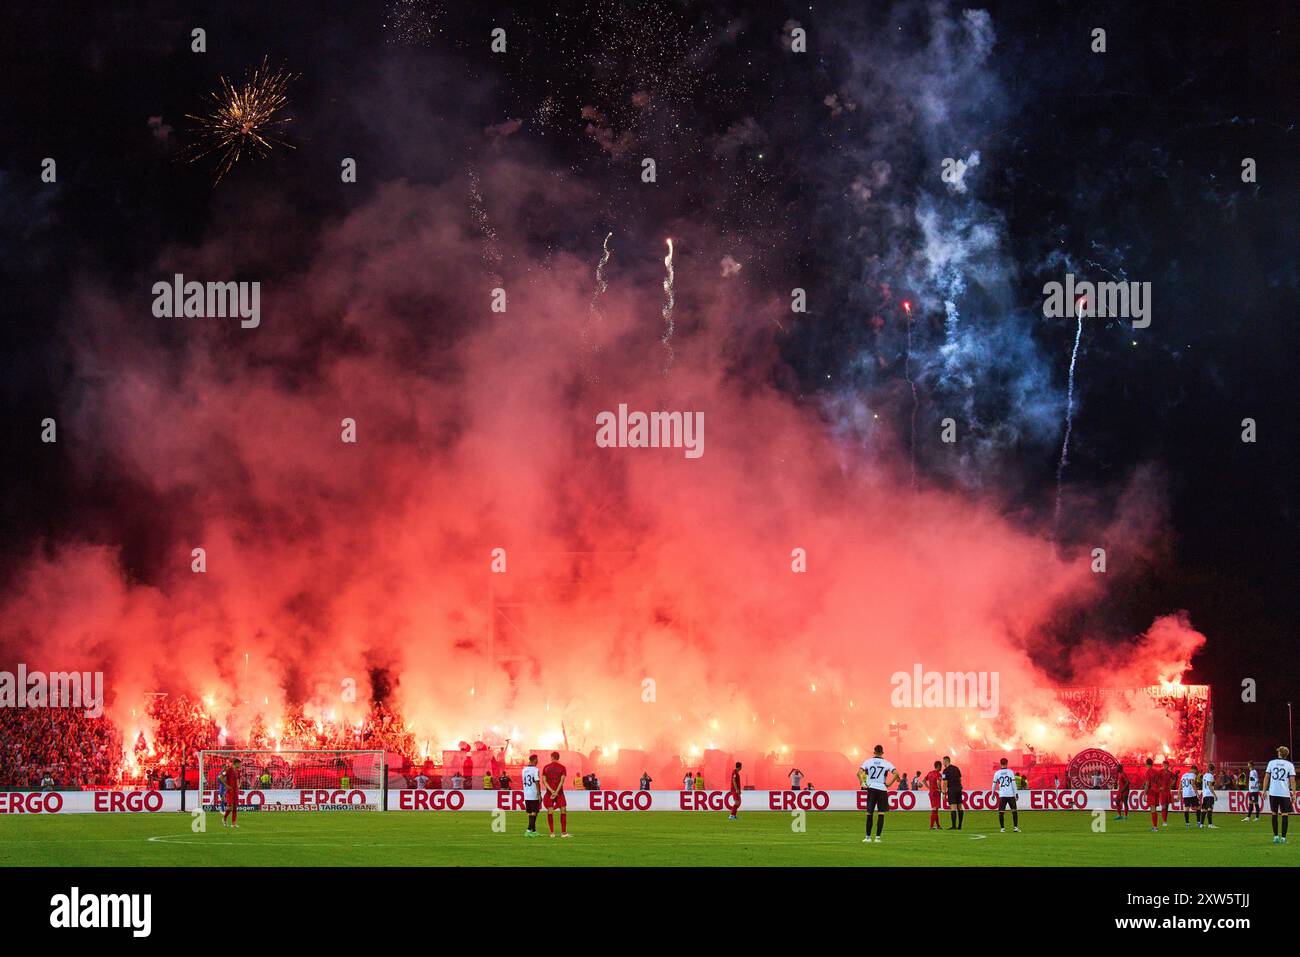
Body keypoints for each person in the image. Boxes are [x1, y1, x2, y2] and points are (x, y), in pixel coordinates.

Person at [860, 744, 901, 843]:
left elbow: (858, 773)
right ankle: (878, 838)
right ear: (882, 752)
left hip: (872, 788)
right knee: (881, 813)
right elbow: (897, 773)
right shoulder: (886, 763)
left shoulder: (868, 762)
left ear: (874, 752)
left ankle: (868, 837)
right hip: (882, 788)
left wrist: (863, 782)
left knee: (869, 813)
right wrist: (889, 784)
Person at [1265, 745, 1295, 844]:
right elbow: (1292, 780)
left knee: (1274, 814)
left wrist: (1264, 790)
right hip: (1284, 793)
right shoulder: (1290, 765)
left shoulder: (1271, 763)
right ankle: (1283, 838)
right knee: (1284, 815)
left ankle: (1275, 837)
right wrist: (1294, 794)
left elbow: (1267, 777)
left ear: (1279, 753)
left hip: (1273, 792)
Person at [541, 751, 570, 838]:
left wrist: (552, 791)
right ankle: (563, 833)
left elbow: (544, 781)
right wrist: (556, 792)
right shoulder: (562, 768)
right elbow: (562, 781)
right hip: (559, 793)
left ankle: (552, 833)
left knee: (550, 811)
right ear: (558, 758)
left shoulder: (546, 767)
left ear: (552, 757)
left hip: (550, 793)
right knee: (563, 810)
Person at [993, 758, 1019, 833]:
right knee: (1014, 811)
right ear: (1007, 763)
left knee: (1001, 812)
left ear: (1000, 763)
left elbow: (994, 784)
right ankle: (1015, 827)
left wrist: (992, 793)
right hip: (1010, 794)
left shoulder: (997, 773)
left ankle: (1002, 828)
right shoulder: (1010, 772)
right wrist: (1016, 793)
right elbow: (1013, 784)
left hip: (1002, 795)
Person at [942, 756, 965, 830]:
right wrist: (959, 786)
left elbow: (945, 782)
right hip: (958, 788)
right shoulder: (956, 768)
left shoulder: (945, 771)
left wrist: (944, 793)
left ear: (946, 761)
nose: (943, 763)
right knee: (960, 807)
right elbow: (960, 779)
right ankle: (960, 825)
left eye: (943, 762)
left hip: (952, 789)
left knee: (953, 807)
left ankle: (954, 826)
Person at [521, 754, 541, 837]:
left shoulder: (524, 770)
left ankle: (533, 831)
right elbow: (536, 781)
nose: (538, 761)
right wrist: (539, 794)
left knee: (530, 813)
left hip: (526, 793)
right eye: (537, 759)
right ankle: (528, 830)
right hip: (533, 793)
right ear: (534, 760)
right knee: (534, 812)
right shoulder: (536, 770)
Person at [221, 758, 242, 829]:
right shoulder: (229, 769)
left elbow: (239, 779)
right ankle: (224, 819)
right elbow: (220, 777)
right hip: (230, 792)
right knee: (230, 807)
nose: (240, 765)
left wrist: (238, 785)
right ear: (235, 763)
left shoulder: (238, 771)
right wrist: (226, 785)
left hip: (235, 791)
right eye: (239, 763)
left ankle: (233, 824)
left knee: (235, 808)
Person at [923, 760, 943, 831]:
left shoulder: (930, 773)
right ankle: (931, 826)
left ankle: (938, 825)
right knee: (935, 809)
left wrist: (929, 787)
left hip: (931, 792)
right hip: (936, 793)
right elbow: (938, 782)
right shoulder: (938, 774)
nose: (941, 768)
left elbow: (923, 781)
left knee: (936, 809)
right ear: (939, 766)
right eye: (941, 766)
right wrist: (940, 789)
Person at [1199, 763, 1217, 829]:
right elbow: (1210, 785)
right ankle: (1210, 824)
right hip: (1209, 794)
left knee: (1204, 809)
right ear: (1213, 769)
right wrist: (1214, 794)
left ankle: (1201, 824)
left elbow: (1205, 784)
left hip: (1205, 794)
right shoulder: (1211, 776)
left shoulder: (1205, 775)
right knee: (1210, 809)